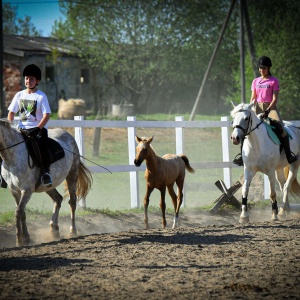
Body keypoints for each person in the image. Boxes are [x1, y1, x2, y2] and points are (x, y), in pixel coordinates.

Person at [233, 56, 297, 166]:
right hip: (256, 107)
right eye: (260, 68)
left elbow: (275, 99)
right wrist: (251, 108)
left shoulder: (274, 81)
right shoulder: (255, 81)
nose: (262, 70)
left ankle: (288, 154)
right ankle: (242, 157)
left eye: (264, 68)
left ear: (269, 68)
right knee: (246, 128)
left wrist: (268, 110)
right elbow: (253, 97)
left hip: (270, 108)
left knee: (281, 128)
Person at [7, 64, 53, 187]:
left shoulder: (41, 96)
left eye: (32, 79)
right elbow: (11, 113)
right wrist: (11, 127)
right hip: (21, 129)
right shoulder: (19, 95)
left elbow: (46, 115)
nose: (28, 81)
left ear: (37, 81)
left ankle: (45, 173)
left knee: (42, 147)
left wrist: (38, 129)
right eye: (27, 78)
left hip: (38, 130)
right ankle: (3, 175)